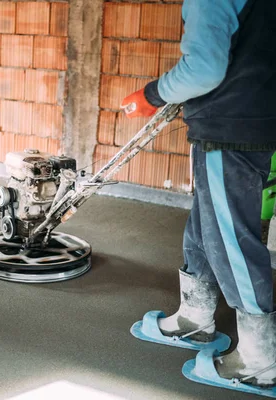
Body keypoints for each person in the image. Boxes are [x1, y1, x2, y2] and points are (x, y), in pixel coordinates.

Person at [122, 0, 276, 395]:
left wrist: (151, 94)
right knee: (208, 222)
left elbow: (204, 69)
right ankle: (195, 316)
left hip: (231, 125)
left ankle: (261, 360)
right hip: (251, 118)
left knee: (230, 239)